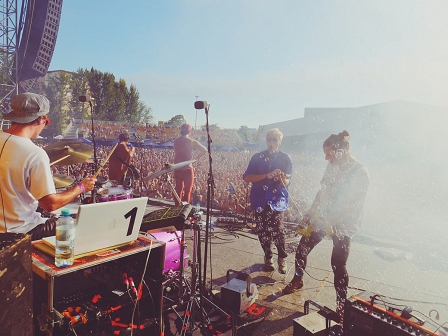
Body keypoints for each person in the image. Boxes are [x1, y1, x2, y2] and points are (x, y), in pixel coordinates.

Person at [282, 130, 369, 321]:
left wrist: (330, 220)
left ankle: (341, 305)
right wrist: (311, 212)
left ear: (342, 151)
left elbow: (353, 204)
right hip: (323, 216)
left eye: (329, 154)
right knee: (302, 248)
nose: (325, 158)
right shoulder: (331, 167)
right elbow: (322, 192)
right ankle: (298, 279)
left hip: (345, 223)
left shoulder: (360, 172)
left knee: (338, 264)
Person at [0, 92, 96, 240]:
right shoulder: (34, 153)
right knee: (85, 221)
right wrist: (81, 188)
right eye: (47, 120)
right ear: (40, 119)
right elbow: (50, 205)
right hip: (19, 233)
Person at [243, 128, 292, 274]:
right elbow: (247, 177)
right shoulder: (257, 157)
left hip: (277, 200)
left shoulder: (285, 158)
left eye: (274, 140)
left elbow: (288, 180)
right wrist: (266, 175)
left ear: (280, 141)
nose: (271, 142)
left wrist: (283, 178)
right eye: (269, 139)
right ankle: (268, 256)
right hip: (259, 199)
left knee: (278, 230)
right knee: (262, 230)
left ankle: (282, 258)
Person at [173, 124, 207, 206]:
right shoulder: (191, 141)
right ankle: (184, 209)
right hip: (187, 167)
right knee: (188, 190)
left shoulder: (176, 141)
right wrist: (197, 157)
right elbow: (204, 150)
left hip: (177, 167)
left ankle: (176, 207)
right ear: (189, 131)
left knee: (178, 189)